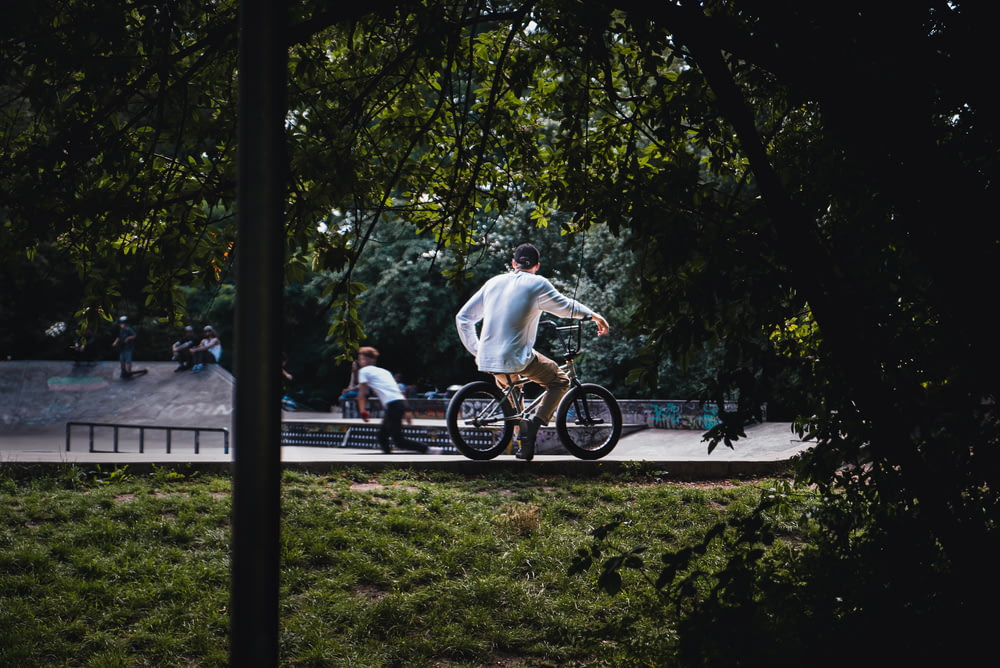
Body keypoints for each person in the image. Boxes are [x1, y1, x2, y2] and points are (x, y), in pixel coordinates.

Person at [455, 243, 609, 461]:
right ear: (537, 266)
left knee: (515, 397)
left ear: (513, 263)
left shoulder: (494, 282)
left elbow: (463, 318)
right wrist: (594, 315)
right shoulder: (537, 284)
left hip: (488, 359)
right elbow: (566, 308)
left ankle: (524, 446)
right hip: (517, 358)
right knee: (560, 381)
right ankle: (535, 425)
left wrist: (477, 350)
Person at [355, 346, 429, 453]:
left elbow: (361, 395)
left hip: (393, 405)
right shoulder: (385, 372)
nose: (360, 362)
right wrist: (407, 409)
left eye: (361, 359)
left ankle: (429, 449)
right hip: (399, 403)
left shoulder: (363, 371)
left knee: (398, 441)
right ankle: (387, 460)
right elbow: (399, 391)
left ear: (367, 360)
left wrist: (363, 411)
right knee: (382, 436)